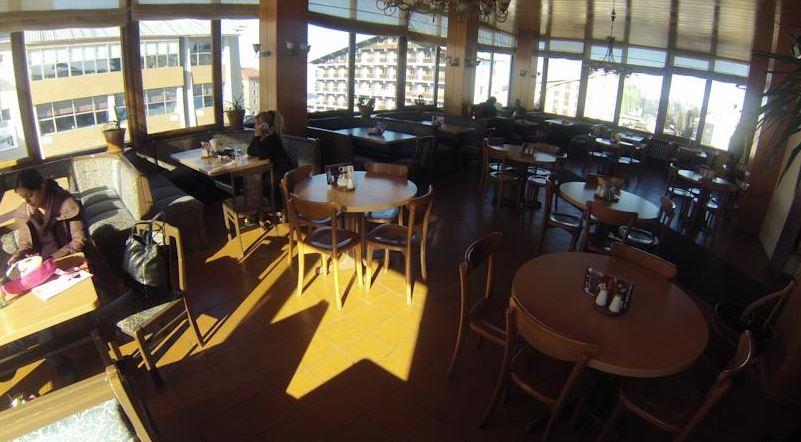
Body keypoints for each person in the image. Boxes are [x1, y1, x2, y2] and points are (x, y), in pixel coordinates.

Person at [9, 169, 87, 265]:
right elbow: (26, 245)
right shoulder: (24, 214)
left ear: (42, 187)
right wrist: (19, 255)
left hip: (73, 257)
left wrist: (51, 260)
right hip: (43, 264)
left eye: (29, 195)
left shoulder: (67, 205)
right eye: (22, 197)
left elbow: (79, 240)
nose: (26, 201)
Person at [247, 110, 293, 210]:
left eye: (256, 125)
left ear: (264, 126)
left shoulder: (272, 138)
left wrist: (257, 137)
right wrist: (256, 137)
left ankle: (270, 209)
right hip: (272, 171)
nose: (254, 127)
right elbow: (250, 151)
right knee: (253, 180)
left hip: (281, 172)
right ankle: (259, 209)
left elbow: (262, 154)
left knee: (261, 182)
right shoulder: (263, 138)